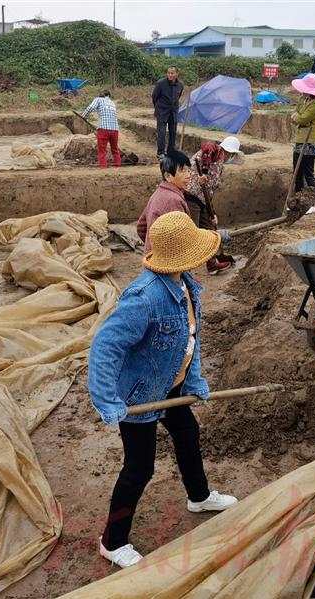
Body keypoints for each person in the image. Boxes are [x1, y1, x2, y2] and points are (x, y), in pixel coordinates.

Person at [90, 211, 238, 568]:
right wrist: (107, 401)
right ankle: (112, 540)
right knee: (139, 468)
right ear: (183, 256)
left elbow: (190, 340)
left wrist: (195, 380)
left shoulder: (186, 285)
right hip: (139, 394)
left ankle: (199, 497)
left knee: (187, 433)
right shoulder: (144, 299)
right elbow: (105, 347)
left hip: (170, 385)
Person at [184, 136, 245, 275]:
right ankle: (184, 269)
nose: (232, 157)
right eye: (233, 154)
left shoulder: (220, 161)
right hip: (191, 196)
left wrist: (213, 213)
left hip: (203, 199)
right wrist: (203, 174)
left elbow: (210, 189)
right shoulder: (215, 151)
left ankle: (211, 264)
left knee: (210, 230)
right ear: (230, 152)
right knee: (192, 232)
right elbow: (207, 151)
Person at [136, 150, 191, 252]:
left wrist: (151, 246)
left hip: (154, 258)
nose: (188, 175)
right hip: (169, 262)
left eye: (189, 170)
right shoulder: (173, 200)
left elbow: (141, 227)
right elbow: (181, 237)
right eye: (183, 171)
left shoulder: (159, 192)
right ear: (168, 176)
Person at [290, 73, 315, 192]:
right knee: (297, 174)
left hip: (309, 141)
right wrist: (299, 118)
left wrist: (299, 118)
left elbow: (302, 118)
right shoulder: (303, 98)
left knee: (308, 176)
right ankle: (298, 201)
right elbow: (295, 114)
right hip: (300, 140)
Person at [81, 90, 121, 167]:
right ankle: (118, 166)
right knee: (115, 150)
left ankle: (103, 168)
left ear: (101, 95)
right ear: (109, 96)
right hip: (115, 130)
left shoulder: (98, 99)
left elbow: (90, 108)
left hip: (103, 129)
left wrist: (83, 116)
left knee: (102, 151)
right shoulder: (113, 103)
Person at [152, 66, 184, 159]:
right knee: (161, 132)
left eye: (172, 73)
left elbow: (178, 96)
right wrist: (158, 108)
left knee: (173, 132)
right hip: (162, 111)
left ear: (177, 74)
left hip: (173, 111)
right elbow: (154, 97)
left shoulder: (180, 85)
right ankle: (161, 153)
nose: (170, 75)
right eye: (168, 73)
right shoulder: (161, 83)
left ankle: (171, 151)